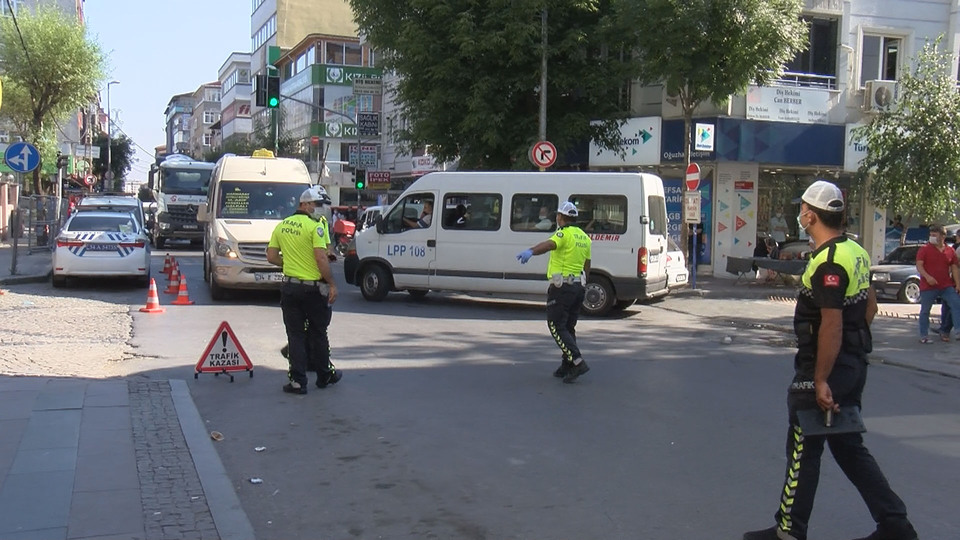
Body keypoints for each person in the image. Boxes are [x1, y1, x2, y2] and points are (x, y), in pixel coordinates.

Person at [743, 180, 917, 540]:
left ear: (810, 215)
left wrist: (821, 378)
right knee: (849, 447)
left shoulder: (828, 262)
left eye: (802, 208)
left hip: (824, 368)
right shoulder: (856, 251)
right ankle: (896, 524)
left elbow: (831, 325)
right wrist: (852, 352)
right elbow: (869, 306)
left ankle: (789, 531)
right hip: (852, 365)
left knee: (803, 450)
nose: (800, 214)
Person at [266, 186, 339, 395]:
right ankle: (324, 375)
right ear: (304, 204)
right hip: (314, 289)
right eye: (316, 205)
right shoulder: (315, 227)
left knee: (295, 335)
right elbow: (321, 256)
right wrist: (332, 283)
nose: (319, 209)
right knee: (318, 333)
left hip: (290, 288)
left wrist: (290, 265)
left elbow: (271, 256)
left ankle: (298, 381)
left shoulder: (282, 226)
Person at [516, 202, 592, 383]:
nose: (557, 218)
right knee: (568, 327)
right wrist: (583, 283)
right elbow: (587, 264)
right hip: (577, 287)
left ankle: (577, 361)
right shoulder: (584, 237)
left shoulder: (563, 234)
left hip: (562, 288)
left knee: (555, 326)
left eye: (558, 215)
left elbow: (550, 244)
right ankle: (567, 364)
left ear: (561, 217)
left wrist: (531, 251)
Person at [915, 223, 960, 343]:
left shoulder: (950, 251)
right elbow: (919, 266)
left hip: (946, 285)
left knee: (956, 304)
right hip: (928, 286)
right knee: (925, 310)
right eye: (931, 235)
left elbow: (954, 267)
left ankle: (958, 331)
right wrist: (927, 277)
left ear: (942, 236)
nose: (932, 237)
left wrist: (958, 283)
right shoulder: (924, 249)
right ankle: (924, 336)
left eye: (934, 235)